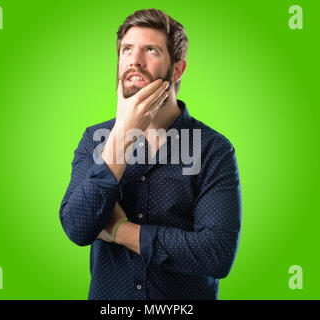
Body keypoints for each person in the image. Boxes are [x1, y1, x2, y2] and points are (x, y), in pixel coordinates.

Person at [59, 8, 242, 300]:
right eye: (127, 50)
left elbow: (216, 254)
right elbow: (77, 227)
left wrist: (121, 231)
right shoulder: (95, 139)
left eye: (151, 50)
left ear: (178, 69)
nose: (134, 60)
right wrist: (122, 135)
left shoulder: (213, 150)